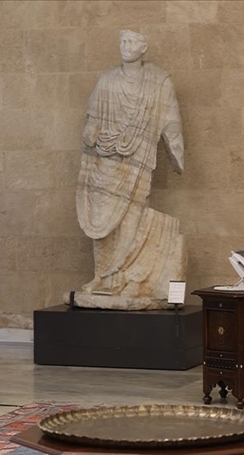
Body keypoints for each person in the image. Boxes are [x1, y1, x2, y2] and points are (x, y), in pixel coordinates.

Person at [73, 30, 186, 310]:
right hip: (105, 158)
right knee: (101, 218)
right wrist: (91, 131)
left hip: (137, 158)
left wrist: (176, 151)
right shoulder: (107, 79)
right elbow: (93, 115)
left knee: (132, 216)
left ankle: (128, 278)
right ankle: (102, 277)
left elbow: (170, 117)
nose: (126, 46)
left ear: (144, 47)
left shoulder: (159, 80)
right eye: (122, 41)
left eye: (132, 42)